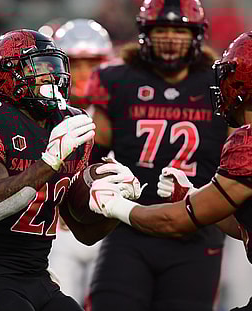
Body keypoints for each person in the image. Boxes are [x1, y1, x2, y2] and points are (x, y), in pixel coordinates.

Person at [89, 30, 252, 311]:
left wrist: (116, 206)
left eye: (229, 75)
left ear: (245, 82)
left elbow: (174, 222)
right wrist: (190, 193)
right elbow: (250, 227)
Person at [0, 29, 140, 311]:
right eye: (41, 68)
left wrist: (115, 203)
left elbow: (84, 233)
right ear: (8, 73)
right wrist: (49, 162)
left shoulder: (70, 121)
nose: (53, 77)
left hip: (38, 277)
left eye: (55, 67)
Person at [84, 0, 227, 310]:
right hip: (130, 226)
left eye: (180, 30)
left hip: (196, 232)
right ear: (145, 33)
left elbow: (237, 159)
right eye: (161, 30)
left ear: (196, 35)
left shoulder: (220, 84)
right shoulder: (118, 79)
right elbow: (92, 152)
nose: (171, 39)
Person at [47, 18, 114, 307]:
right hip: (59, 230)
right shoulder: (44, 110)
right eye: (77, 63)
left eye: (93, 63)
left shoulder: (123, 104)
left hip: (112, 225)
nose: (86, 73)